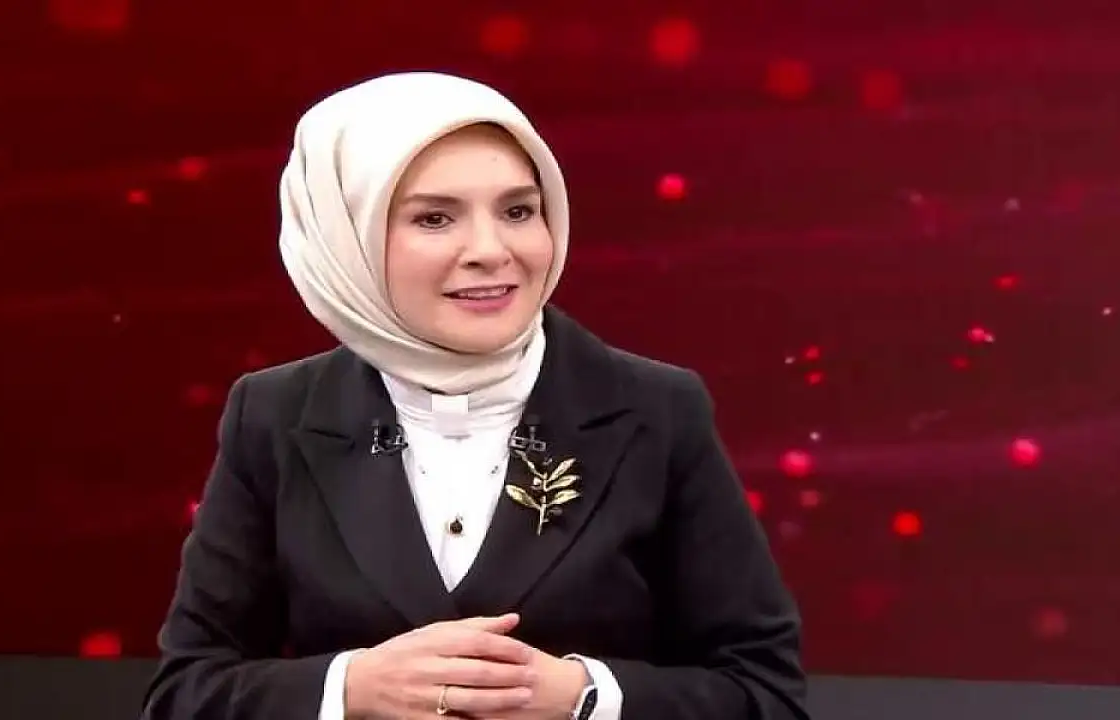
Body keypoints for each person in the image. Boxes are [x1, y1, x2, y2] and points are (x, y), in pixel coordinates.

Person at [141, 71, 809, 720]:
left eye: (518, 211)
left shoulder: (658, 410)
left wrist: (584, 697)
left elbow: (765, 693)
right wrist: (353, 689)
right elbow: (186, 694)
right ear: (348, 240)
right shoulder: (274, 416)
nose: (491, 250)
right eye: (434, 218)